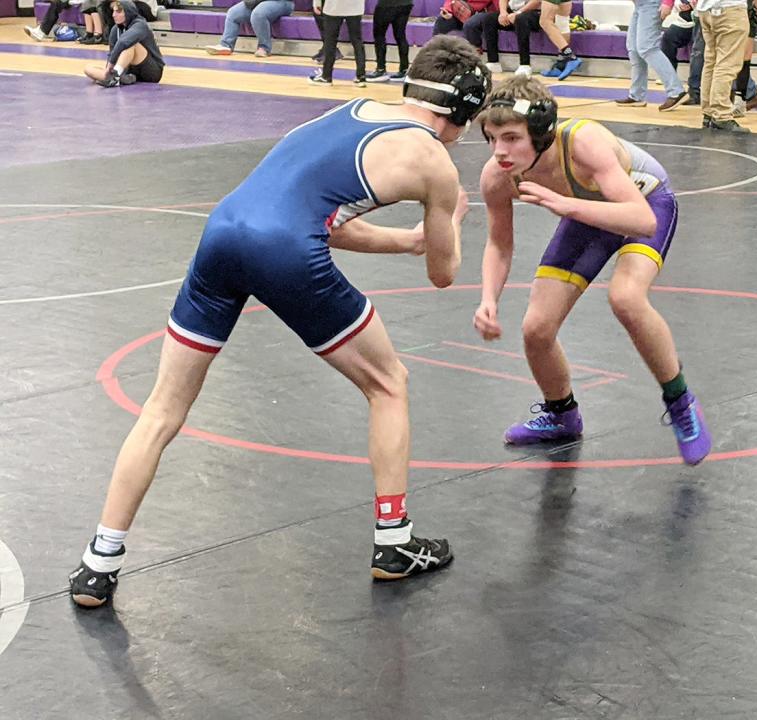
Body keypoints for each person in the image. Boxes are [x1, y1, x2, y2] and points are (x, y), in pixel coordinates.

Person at [68, 35, 492, 607]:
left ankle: (99, 562)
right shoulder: (433, 161)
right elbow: (444, 275)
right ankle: (394, 542)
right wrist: (444, 227)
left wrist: (405, 241)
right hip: (285, 249)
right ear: (462, 114)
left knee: (164, 407)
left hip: (222, 232)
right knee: (388, 383)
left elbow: (327, 220)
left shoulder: (345, 110)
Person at [473, 77, 712, 465]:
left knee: (626, 297)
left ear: (541, 133)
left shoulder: (584, 142)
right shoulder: (497, 176)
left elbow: (641, 219)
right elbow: (499, 243)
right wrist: (488, 299)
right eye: (492, 138)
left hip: (645, 202)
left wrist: (566, 206)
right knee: (537, 328)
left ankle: (681, 401)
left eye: (512, 138)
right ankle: (561, 413)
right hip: (586, 211)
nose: (500, 151)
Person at [615, 0, 688, 110]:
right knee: (634, 49)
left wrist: (668, 3)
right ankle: (637, 95)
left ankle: (676, 91)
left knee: (648, 48)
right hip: (640, 5)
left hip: (651, 4)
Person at [696, 0, 751, 130]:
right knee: (727, 64)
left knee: (711, 62)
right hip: (730, 9)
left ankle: (708, 112)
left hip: (705, 10)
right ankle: (721, 114)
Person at [82, 0, 164, 87]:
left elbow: (123, 42)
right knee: (88, 68)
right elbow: (112, 53)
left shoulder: (140, 24)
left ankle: (115, 78)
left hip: (151, 71)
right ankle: (117, 77)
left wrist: (110, 64)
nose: (114, 15)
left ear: (128, 12)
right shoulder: (115, 29)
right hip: (129, 70)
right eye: (113, 11)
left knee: (131, 45)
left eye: (118, 12)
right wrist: (108, 70)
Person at [470, 0, 543, 76]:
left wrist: (518, 13)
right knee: (488, 19)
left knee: (521, 19)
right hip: (513, 12)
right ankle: (493, 62)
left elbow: (537, 2)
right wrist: (503, 12)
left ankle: (525, 64)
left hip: (534, 13)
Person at [203, 0, 294, 58]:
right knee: (233, 13)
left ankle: (264, 48)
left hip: (282, 2)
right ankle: (226, 45)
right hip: (257, 1)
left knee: (258, 14)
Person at [308, 0, 366, 86]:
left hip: (334, 7)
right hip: (355, 7)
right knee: (357, 40)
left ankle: (326, 76)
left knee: (330, 40)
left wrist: (317, 3)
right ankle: (361, 76)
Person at [368, 0, 414, 82]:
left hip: (386, 5)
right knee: (401, 36)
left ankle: (381, 69)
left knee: (379, 36)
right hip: (406, 4)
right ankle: (404, 69)